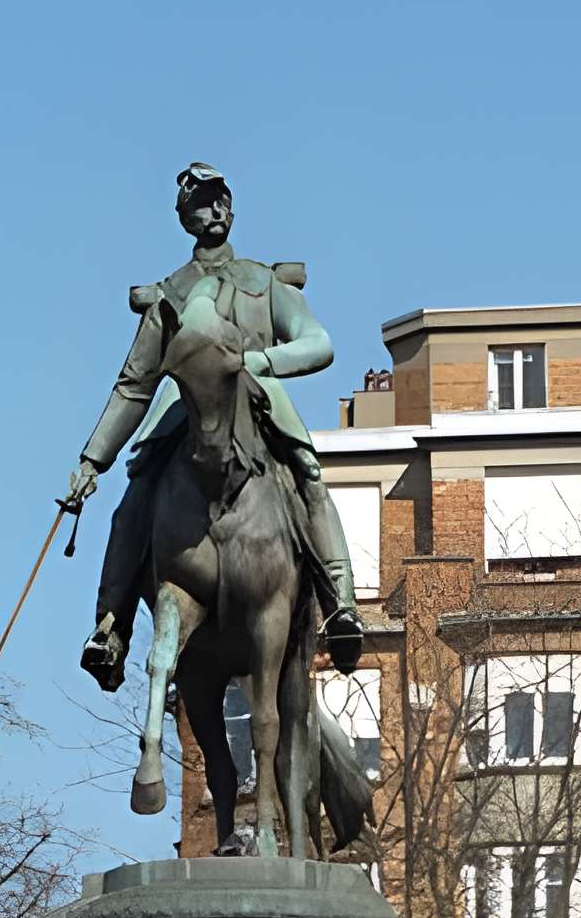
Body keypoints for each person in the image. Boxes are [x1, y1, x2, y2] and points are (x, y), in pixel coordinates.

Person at [65, 162, 366, 693]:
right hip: (184, 406)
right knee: (135, 494)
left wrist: (260, 363)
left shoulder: (263, 281)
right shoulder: (170, 295)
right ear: (184, 218)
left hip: (257, 393)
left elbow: (318, 342)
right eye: (203, 202)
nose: (216, 209)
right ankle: (111, 626)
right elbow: (135, 385)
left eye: (222, 198)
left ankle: (341, 602)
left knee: (308, 472)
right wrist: (93, 460)